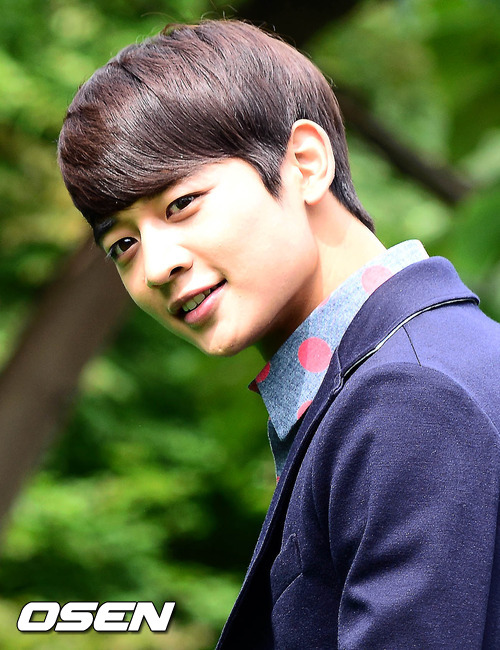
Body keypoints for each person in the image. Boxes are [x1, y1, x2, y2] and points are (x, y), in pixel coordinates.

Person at [58, 19, 500, 649]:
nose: (156, 267)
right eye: (122, 245)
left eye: (181, 204)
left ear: (305, 163)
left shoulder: (411, 396)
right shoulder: (416, 366)